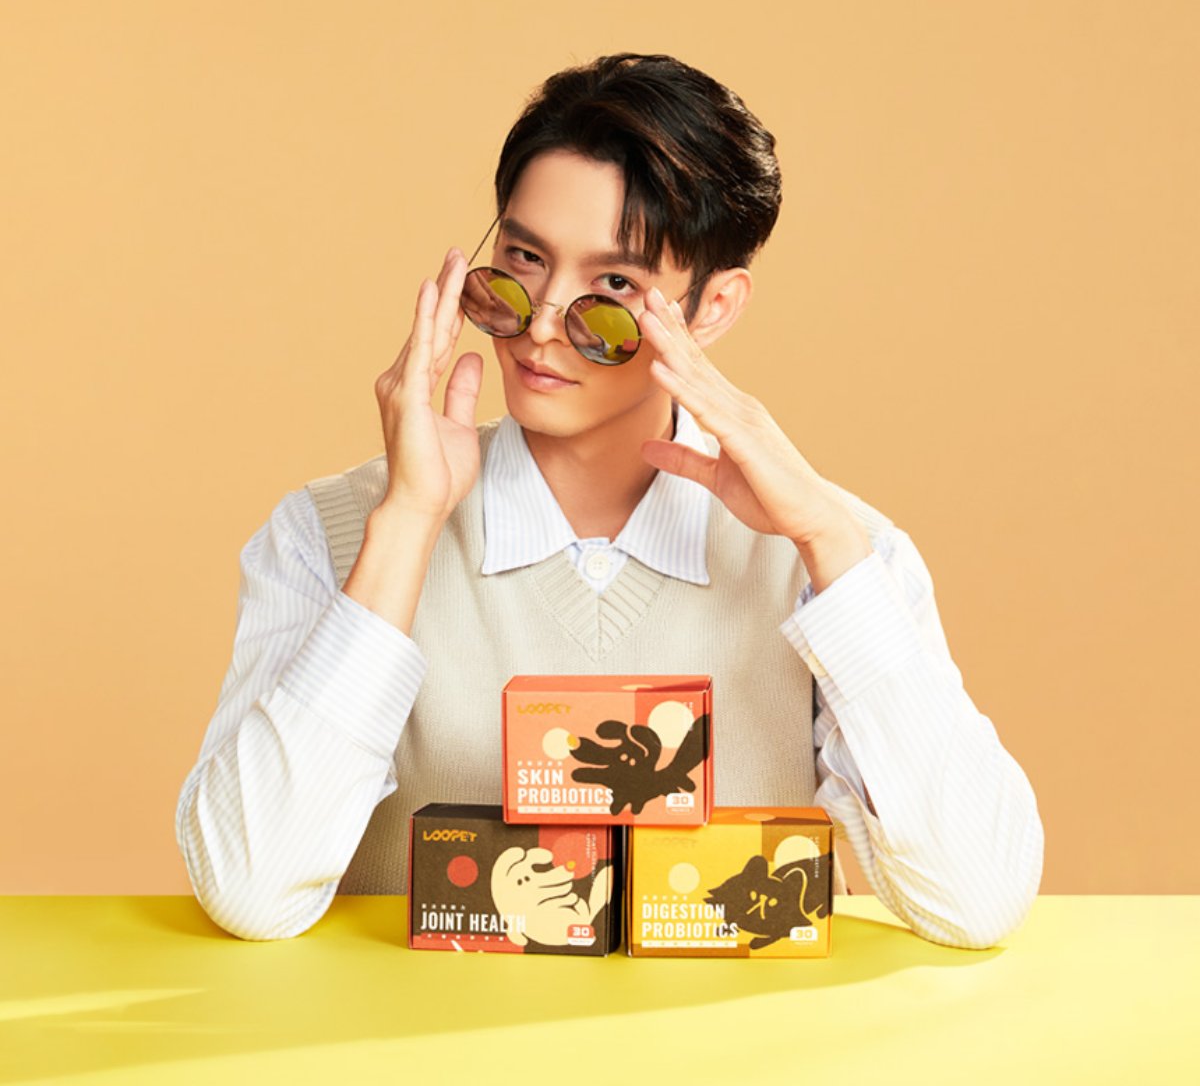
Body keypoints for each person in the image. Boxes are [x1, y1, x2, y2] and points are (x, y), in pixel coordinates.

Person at [176, 52, 1043, 947]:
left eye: (615, 286)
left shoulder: (840, 557)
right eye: (522, 259)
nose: (545, 320)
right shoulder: (328, 534)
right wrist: (405, 526)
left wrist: (828, 542)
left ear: (712, 308)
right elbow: (250, 890)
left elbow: (977, 901)